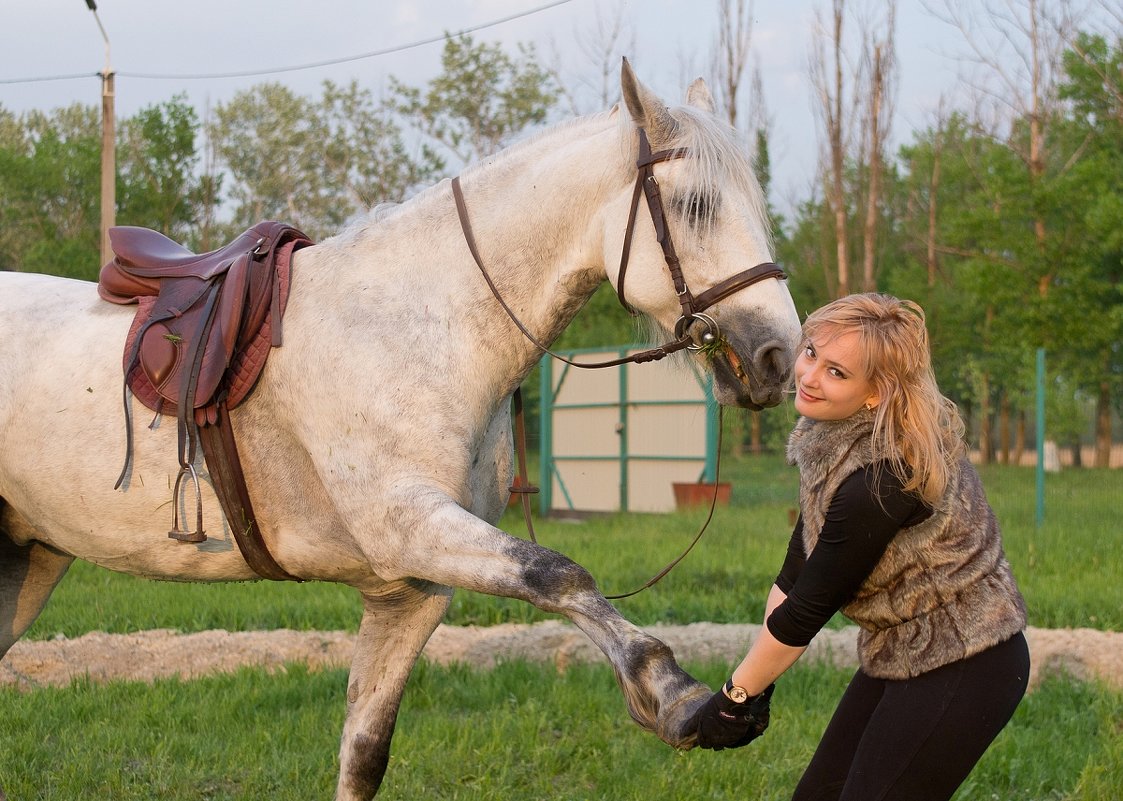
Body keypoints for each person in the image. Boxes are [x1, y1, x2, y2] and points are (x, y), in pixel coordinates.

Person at [690, 293, 1030, 801]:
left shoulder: (881, 477)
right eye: (811, 354)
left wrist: (735, 695)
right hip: (898, 650)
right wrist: (756, 687)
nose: (808, 376)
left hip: (967, 660)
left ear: (876, 393)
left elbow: (808, 610)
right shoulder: (833, 438)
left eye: (837, 372)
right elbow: (795, 575)